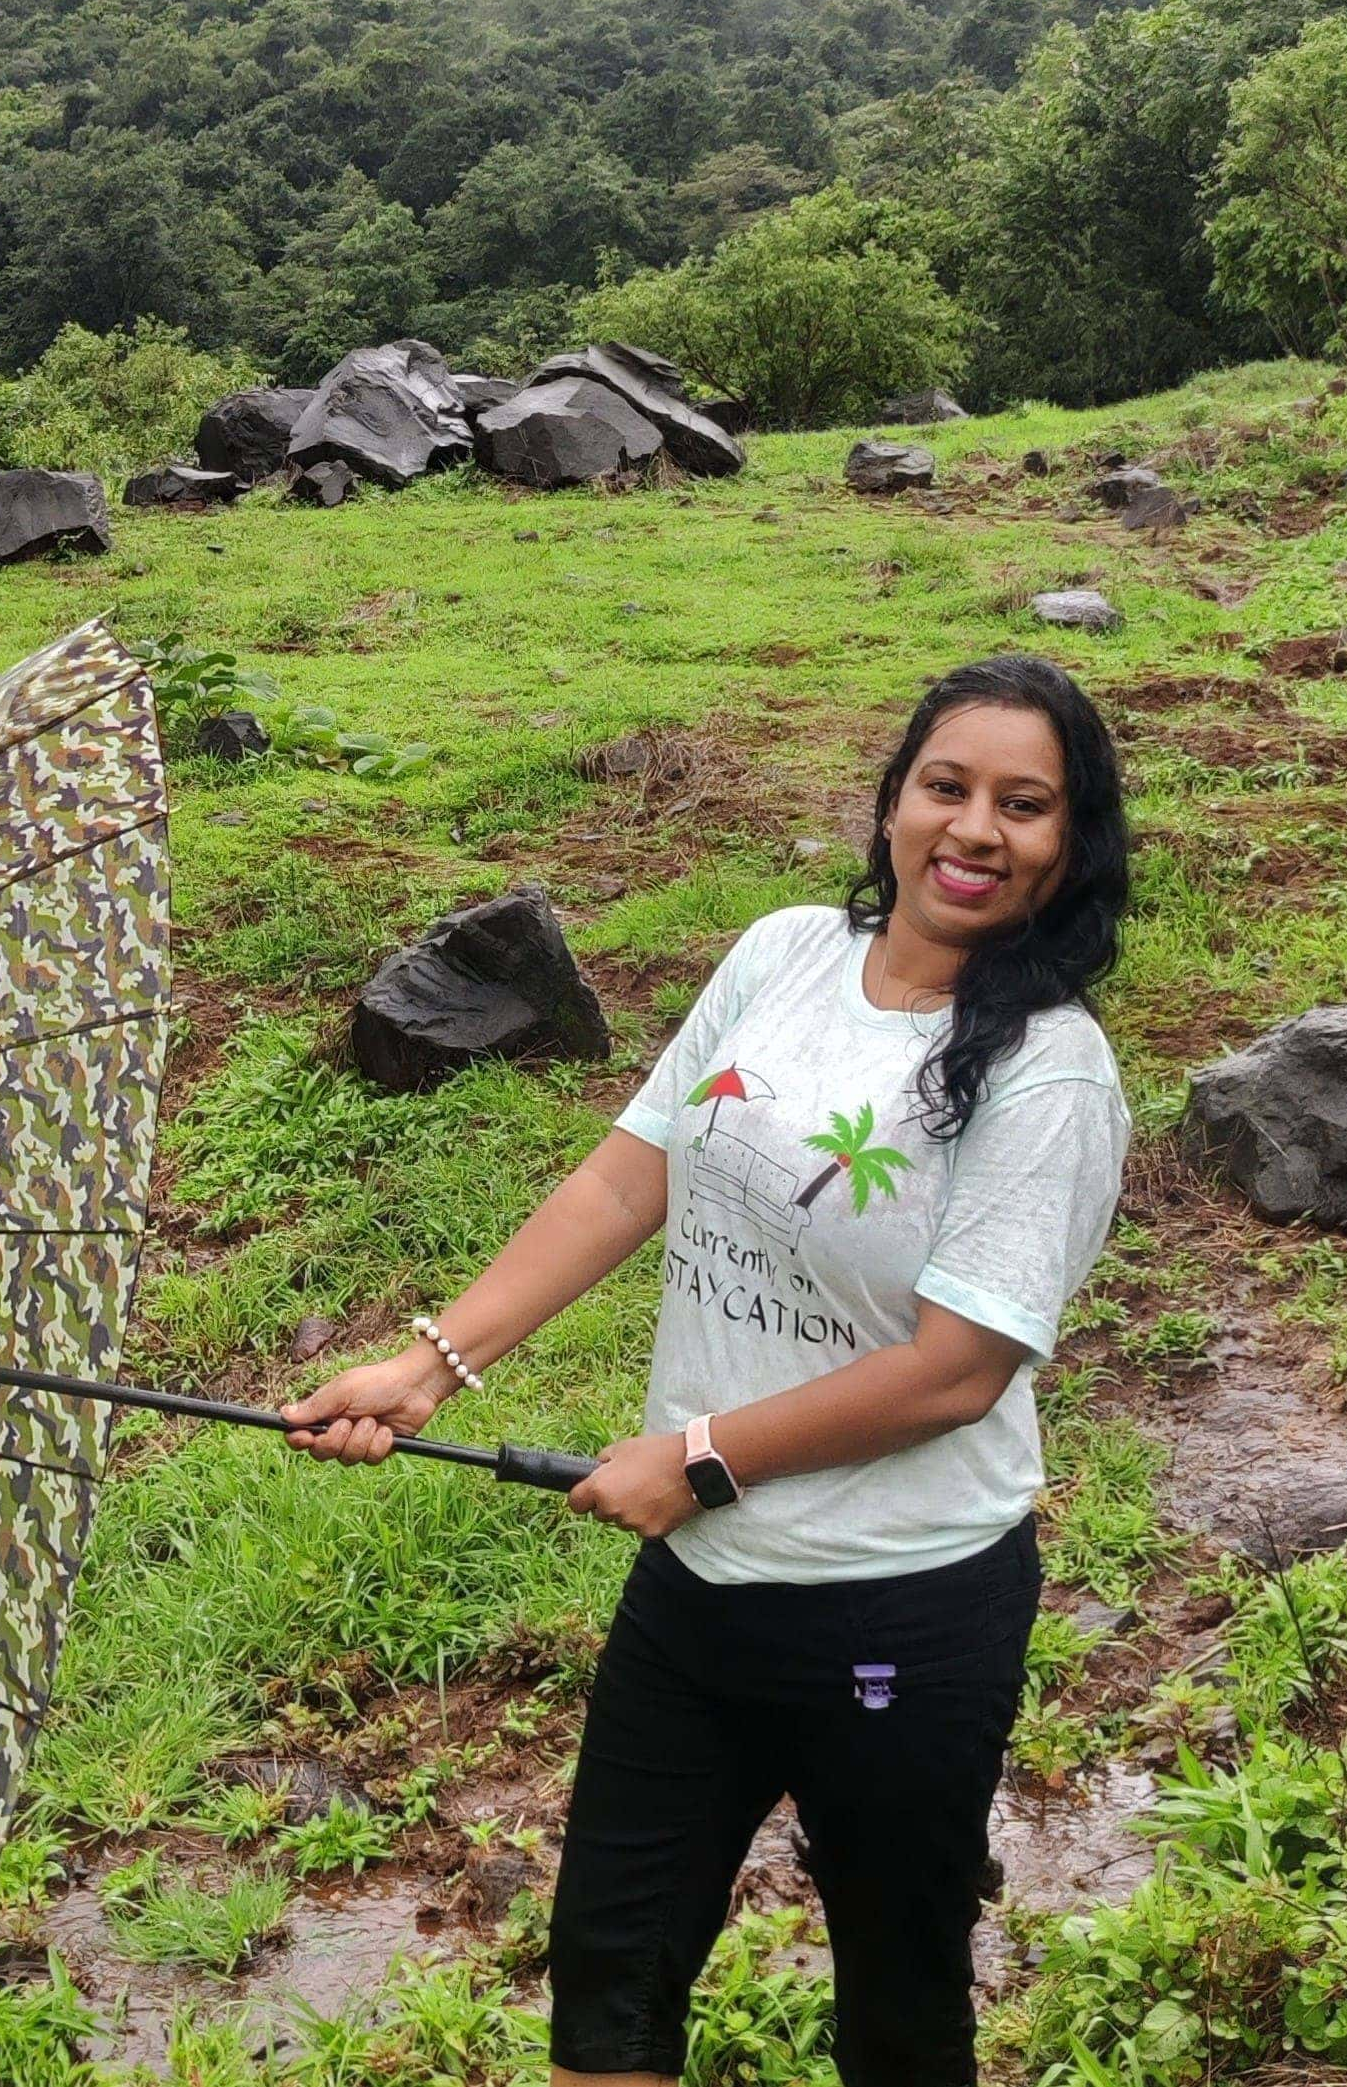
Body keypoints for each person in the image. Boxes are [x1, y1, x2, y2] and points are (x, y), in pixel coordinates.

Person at [283, 654, 1131, 2087]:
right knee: (607, 1990)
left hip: (901, 1614)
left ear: (1071, 844)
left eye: (1023, 805)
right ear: (894, 803)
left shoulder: (1049, 1074)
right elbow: (631, 1180)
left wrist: (695, 1457)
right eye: (948, 786)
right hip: (701, 1594)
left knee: (899, 2008)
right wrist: (432, 1365)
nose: (975, 830)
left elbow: (955, 1372)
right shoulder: (784, 954)